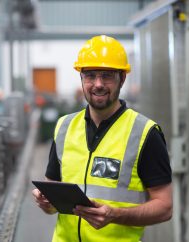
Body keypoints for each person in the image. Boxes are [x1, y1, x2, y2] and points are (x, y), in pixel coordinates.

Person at [32, 35, 172, 242]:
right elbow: (53, 197)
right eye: (90, 75)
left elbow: (165, 207)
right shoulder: (64, 127)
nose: (98, 84)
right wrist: (47, 203)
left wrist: (116, 215)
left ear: (122, 78)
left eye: (106, 75)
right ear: (81, 78)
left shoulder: (145, 133)